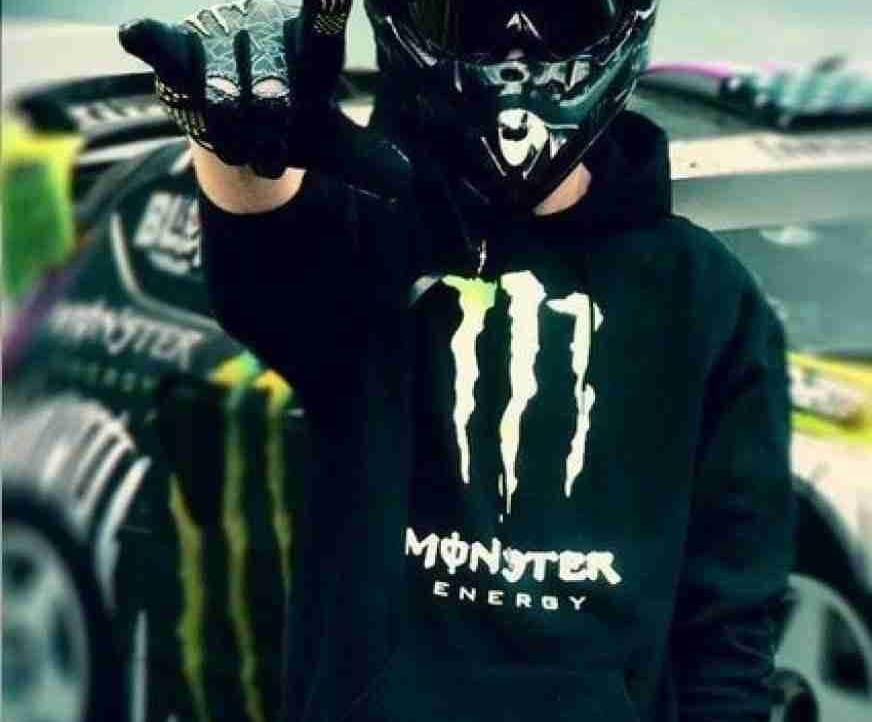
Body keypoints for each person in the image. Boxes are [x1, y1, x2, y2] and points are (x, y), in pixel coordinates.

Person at [120, 1, 795, 720]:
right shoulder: (371, 240)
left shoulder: (708, 300)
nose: (517, 51)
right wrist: (234, 134)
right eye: (474, 12)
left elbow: (728, 634)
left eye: (555, 11)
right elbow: (265, 263)